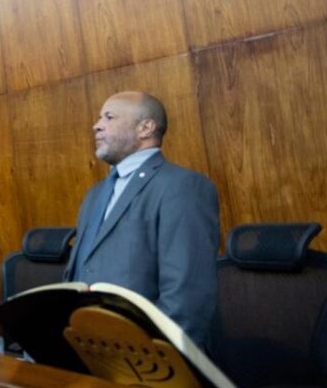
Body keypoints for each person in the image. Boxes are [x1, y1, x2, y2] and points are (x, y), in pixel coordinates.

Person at [64, 91, 220, 347]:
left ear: (145, 127)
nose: (97, 125)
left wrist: (159, 358)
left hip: (142, 357)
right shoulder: (95, 194)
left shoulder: (181, 186)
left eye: (109, 117)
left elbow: (186, 292)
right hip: (89, 348)